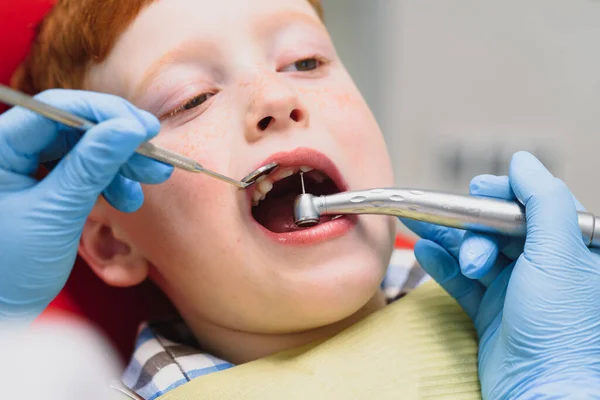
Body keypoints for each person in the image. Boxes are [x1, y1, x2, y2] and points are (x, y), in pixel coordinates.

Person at [0, 0, 598, 398]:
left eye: (306, 61)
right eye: (190, 98)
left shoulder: (526, 309)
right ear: (111, 238)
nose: (275, 96)